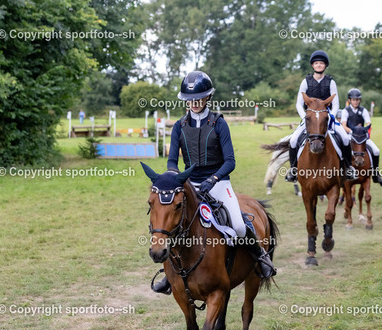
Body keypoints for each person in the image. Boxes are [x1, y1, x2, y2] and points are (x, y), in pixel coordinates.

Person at [152, 70, 276, 294]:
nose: (194, 103)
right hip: (190, 184)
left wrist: (214, 178)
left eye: (199, 98)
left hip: (218, 182)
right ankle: (170, 276)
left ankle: (260, 257)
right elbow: (172, 161)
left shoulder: (219, 123)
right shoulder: (179, 126)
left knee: (238, 225)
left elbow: (230, 161)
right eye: (189, 100)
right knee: (174, 225)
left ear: (208, 97)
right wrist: (175, 177)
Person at [286, 50, 356, 182]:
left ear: (325, 65)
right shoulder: (305, 81)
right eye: (316, 63)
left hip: (326, 118)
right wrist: (305, 118)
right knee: (293, 140)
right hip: (310, 119)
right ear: (312, 65)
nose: (319, 65)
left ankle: (348, 168)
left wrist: (330, 117)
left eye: (321, 63)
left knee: (345, 138)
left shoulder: (331, 82)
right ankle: (293, 170)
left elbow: (336, 104)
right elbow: (299, 104)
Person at [341, 88, 382, 186]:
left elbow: (368, 124)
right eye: (354, 99)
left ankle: (376, 175)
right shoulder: (345, 111)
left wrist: (364, 133)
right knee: (341, 151)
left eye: (357, 99)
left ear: (360, 100)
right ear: (349, 100)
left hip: (361, 136)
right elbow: (343, 126)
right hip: (350, 136)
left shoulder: (363, 110)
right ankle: (340, 174)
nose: (356, 102)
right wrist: (352, 132)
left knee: (376, 151)